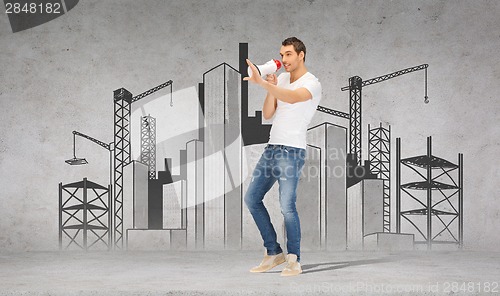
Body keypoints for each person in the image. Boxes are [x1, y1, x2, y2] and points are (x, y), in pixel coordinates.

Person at [243, 37, 322, 277]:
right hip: (272, 149)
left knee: (287, 206)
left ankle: (294, 259)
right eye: (281, 54)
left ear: (301, 55)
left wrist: (264, 84)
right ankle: (273, 252)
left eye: (288, 54)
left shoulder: (312, 83)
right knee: (252, 199)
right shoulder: (283, 79)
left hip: (292, 151)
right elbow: (268, 113)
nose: (284, 59)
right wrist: (270, 86)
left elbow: (292, 98)